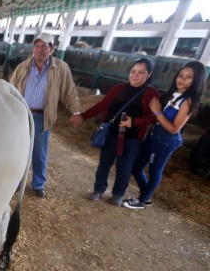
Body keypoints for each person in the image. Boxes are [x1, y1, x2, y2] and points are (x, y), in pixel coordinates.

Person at [124, 61, 207, 210]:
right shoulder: (172, 94)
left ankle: (142, 201)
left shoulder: (187, 101)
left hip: (166, 140)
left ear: (196, 81)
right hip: (154, 135)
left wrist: (157, 112)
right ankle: (146, 195)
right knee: (136, 167)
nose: (182, 79)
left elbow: (174, 129)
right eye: (180, 75)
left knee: (155, 171)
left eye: (189, 77)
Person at [78, 58, 160, 206]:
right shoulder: (118, 89)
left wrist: (134, 122)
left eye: (141, 72)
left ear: (149, 75)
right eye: (133, 71)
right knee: (104, 165)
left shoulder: (151, 94)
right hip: (111, 135)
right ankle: (98, 189)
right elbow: (102, 105)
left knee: (125, 168)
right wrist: (83, 116)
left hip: (133, 139)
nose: (135, 75)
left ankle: (118, 194)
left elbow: (155, 117)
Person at [9, 32, 82, 198]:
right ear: (33, 48)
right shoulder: (23, 67)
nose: (40, 50)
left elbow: (69, 92)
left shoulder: (60, 68)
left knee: (39, 152)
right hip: (21, 115)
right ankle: (17, 182)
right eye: (37, 46)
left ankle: (38, 184)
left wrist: (76, 111)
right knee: (19, 150)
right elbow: (11, 89)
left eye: (44, 46)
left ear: (52, 49)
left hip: (42, 117)